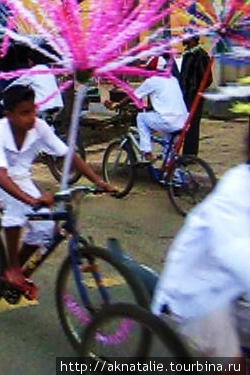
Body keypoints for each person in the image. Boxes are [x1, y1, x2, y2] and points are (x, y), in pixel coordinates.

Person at [0, 85, 114, 299]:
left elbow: (68, 155)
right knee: (16, 209)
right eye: (24, 113)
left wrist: (99, 181)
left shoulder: (39, 127)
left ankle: (18, 267)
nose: (31, 117)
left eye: (33, 110)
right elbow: (0, 176)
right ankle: (12, 269)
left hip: (19, 176)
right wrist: (31, 199)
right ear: (9, 115)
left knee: (47, 227)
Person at [152, 134, 250, 360]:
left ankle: (151, 156)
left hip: (236, 290)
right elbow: (240, 257)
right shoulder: (236, 191)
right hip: (202, 292)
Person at [106, 70, 188, 163]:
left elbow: (134, 96)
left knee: (141, 118)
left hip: (168, 120)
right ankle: (174, 175)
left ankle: (146, 151)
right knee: (168, 154)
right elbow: (163, 102)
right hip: (183, 121)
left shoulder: (153, 81)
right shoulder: (173, 79)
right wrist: (147, 107)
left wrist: (116, 105)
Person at [179, 34, 212, 156]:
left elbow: (207, 78)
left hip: (194, 96)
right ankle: (186, 153)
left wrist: (197, 91)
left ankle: (190, 154)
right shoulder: (187, 54)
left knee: (192, 125)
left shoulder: (201, 55)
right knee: (185, 123)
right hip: (185, 95)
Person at [8, 50, 64, 117]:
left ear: (31, 61)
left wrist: (4, 95)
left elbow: (17, 84)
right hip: (57, 104)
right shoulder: (48, 70)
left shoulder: (34, 71)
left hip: (44, 106)